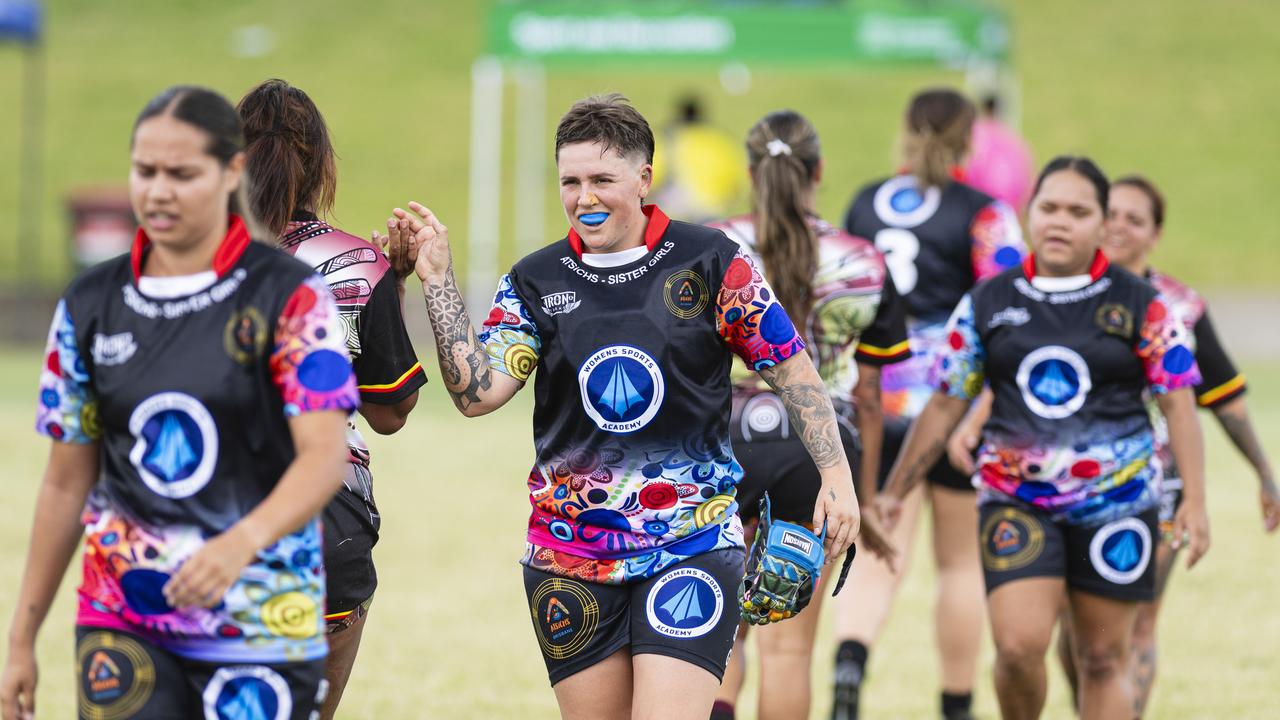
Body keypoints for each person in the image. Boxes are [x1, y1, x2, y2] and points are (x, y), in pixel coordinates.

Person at [386, 93, 862, 719]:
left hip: (691, 543)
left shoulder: (712, 260)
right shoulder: (536, 279)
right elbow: (477, 394)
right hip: (569, 558)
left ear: (644, 179)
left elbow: (794, 370)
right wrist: (438, 279)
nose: (585, 198)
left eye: (602, 180)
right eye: (571, 181)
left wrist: (836, 476)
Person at [0, 85, 358, 720]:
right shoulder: (89, 305)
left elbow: (324, 460)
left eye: (182, 173)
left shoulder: (294, 297)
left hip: (262, 615)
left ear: (231, 173)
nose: (159, 191)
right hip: (124, 617)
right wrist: (20, 640)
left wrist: (238, 543)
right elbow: (63, 483)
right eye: (146, 171)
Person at [879, 155, 1211, 720]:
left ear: (1103, 223)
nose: (1060, 221)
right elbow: (944, 403)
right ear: (1029, 212)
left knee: (1104, 655)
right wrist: (894, 491)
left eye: (1078, 211)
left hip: (1119, 505)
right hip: (1016, 502)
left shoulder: (1143, 304)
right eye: (1049, 207)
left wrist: (1196, 504)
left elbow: (1179, 403)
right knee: (1016, 649)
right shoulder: (988, 301)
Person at [1048, 175, 1278, 716]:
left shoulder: (1181, 307)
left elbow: (1225, 399)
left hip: (1159, 487)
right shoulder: (1058, 295)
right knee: (1075, 625)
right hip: (1069, 483)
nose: (1121, 227)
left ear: (1156, 233)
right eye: (1114, 214)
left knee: (1139, 616)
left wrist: (1265, 474)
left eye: (1136, 218)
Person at [705, 110, 908, 720]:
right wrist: (862, 498)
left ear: (748, 171)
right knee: (789, 651)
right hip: (818, 455)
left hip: (723, 443)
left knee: (718, 633)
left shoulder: (710, 246)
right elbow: (870, 397)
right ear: (818, 171)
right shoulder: (864, 261)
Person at [237, 78, 428, 719]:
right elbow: (388, 410)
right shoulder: (355, 264)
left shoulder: (179, 259)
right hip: (327, 522)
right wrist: (392, 282)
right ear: (321, 164)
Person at [833, 87, 1025, 720]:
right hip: (955, 403)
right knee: (960, 565)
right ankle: (956, 703)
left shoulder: (866, 202)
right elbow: (1010, 312)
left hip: (880, 399)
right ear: (972, 140)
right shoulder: (985, 212)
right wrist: (981, 411)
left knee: (878, 544)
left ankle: (848, 666)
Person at [964, 93, 1035, 214]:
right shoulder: (1013, 139)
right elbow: (1026, 173)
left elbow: (967, 168)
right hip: (1008, 206)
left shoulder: (975, 135)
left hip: (977, 205)